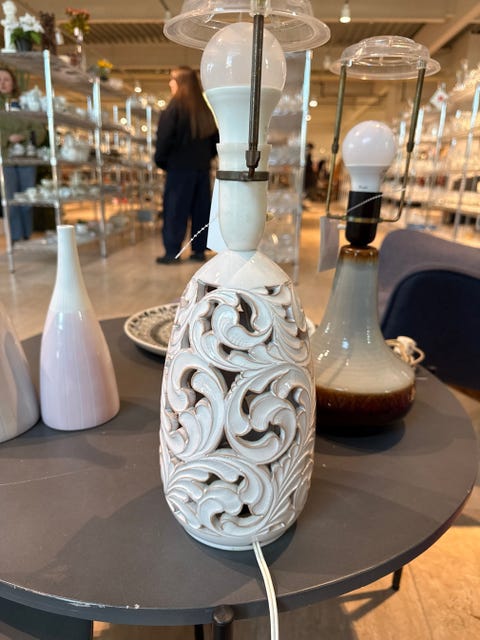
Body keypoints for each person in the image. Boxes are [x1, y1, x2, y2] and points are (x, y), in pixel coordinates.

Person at [154, 65, 219, 264]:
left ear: (180, 83)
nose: (170, 84)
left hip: (179, 170)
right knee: (200, 210)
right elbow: (215, 141)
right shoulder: (205, 112)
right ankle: (198, 251)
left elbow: (164, 139)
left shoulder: (174, 109)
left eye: (172, 80)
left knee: (175, 210)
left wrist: (162, 161)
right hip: (201, 169)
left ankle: (172, 252)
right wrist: (204, 160)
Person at [0, 67, 46, 242]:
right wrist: (7, 137)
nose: (2, 83)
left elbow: (39, 131)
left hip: (27, 158)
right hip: (6, 159)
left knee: (28, 199)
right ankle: (15, 238)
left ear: (13, 82)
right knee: (11, 200)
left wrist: (24, 136)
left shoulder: (26, 103)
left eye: (6, 79)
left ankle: (26, 236)